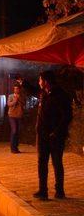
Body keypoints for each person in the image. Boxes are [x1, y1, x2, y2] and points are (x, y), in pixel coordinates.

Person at [34, 70, 72, 200]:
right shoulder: (43, 94)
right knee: (42, 163)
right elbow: (32, 90)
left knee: (56, 162)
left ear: (46, 81)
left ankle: (59, 191)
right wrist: (22, 82)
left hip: (55, 136)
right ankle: (43, 190)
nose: (39, 82)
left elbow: (67, 116)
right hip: (42, 135)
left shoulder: (60, 95)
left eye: (40, 80)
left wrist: (56, 132)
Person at [7, 84, 24, 153]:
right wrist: (15, 100)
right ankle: (12, 148)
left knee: (17, 132)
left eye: (17, 89)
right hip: (12, 115)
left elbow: (24, 103)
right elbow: (9, 104)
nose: (16, 90)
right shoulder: (11, 96)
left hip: (19, 116)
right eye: (15, 89)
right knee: (14, 131)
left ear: (19, 89)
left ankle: (16, 147)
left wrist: (19, 99)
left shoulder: (22, 96)